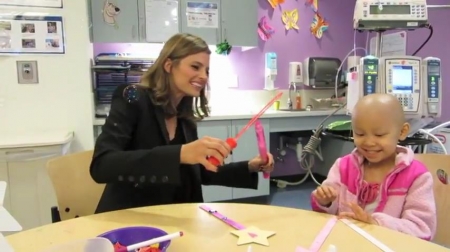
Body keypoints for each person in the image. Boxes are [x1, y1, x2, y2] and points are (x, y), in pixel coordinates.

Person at [90, 33, 274, 214]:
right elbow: (102, 166)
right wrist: (180, 153)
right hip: (131, 221)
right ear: (169, 65)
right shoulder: (133, 99)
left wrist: (250, 166)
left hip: (177, 220)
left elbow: (199, 173)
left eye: (207, 70)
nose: (203, 76)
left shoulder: (185, 120)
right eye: (195, 67)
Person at [311, 93, 436, 240]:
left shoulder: (417, 177)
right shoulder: (343, 167)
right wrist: (325, 201)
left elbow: (422, 229)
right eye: (360, 134)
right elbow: (326, 216)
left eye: (379, 135)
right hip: (346, 243)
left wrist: (376, 223)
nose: (369, 142)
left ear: (402, 132)